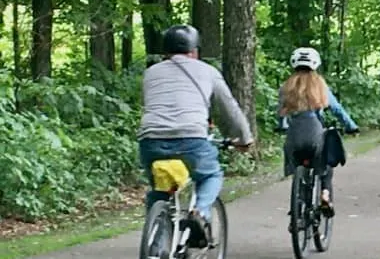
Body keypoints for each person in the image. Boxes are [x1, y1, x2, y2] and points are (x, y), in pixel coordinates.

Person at [138, 24, 254, 244]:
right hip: (192, 140)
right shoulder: (207, 71)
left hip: (151, 141)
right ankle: (200, 213)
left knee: (159, 191)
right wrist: (245, 138)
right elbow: (229, 107)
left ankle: (157, 252)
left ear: (165, 51)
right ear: (195, 50)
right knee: (211, 175)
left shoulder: (150, 73)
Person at [277, 47, 358, 218]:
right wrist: (351, 126)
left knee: (296, 161)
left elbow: (281, 114)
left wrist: (282, 126)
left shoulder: (286, 87)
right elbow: (337, 109)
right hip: (314, 133)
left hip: (294, 136)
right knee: (325, 164)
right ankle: (325, 194)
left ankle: (298, 204)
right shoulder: (320, 86)